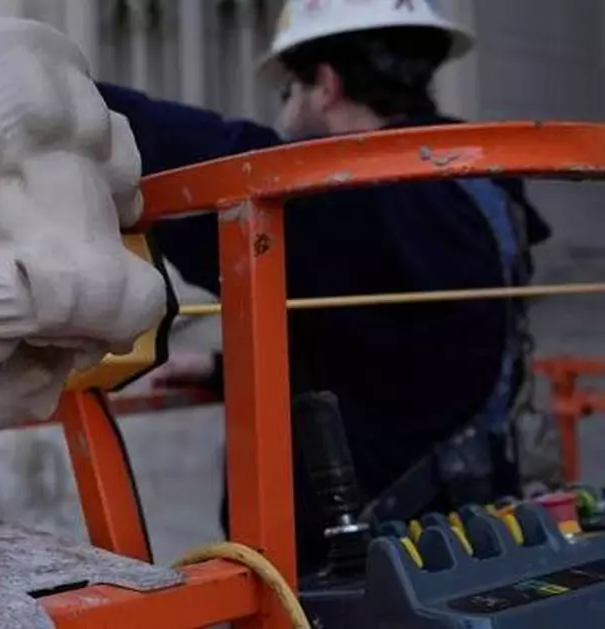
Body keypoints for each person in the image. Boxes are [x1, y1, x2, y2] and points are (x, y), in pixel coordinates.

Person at [98, 0, 551, 575]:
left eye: (290, 88)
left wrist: (56, 86)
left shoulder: (353, 203)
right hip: (474, 537)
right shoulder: (483, 183)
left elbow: (205, 148)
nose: (285, 107)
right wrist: (219, 367)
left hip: (369, 574)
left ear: (328, 85)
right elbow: (409, 343)